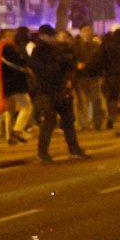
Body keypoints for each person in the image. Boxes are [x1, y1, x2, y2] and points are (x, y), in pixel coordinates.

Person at [28, 25, 88, 163]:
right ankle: (43, 152)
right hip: (47, 91)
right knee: (49, 122)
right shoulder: (39, 51)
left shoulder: (57, 49)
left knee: (68, 121)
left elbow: (68, 65)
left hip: (59, 90)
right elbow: (37, 69)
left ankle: (74, 149)